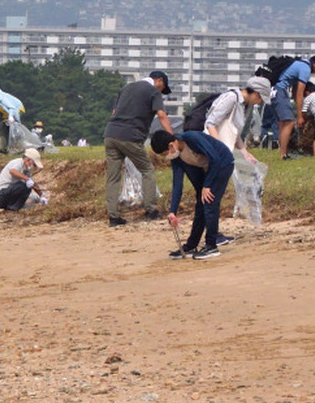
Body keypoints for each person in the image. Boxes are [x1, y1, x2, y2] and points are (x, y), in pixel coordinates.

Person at [202, 75, 272, 245]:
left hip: (223, 155)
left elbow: (235, 133)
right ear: (255, 93)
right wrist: (218, 149)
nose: (260, 102)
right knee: (211, 194)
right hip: (213, 153)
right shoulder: (231, 98)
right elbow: (211, 123)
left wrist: (245, 152)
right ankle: (210, 236)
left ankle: (212, 233)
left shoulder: (245, 105)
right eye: (261, 98)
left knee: (215, 194)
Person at [151, 129, 235, 261]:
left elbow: (215, 159)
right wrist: (173, 211)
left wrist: (207, 185)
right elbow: (177, 185)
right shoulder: (177, 159)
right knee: (200, 205)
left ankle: (211, 245)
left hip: (222, 164)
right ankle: (191, 245)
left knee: (209, 202)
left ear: (171, 145)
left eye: (165, 154)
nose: (166, 157)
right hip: (207, 170)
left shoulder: (192, 138)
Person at [103, 70, 174, 226]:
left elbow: (114, 112)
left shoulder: (126, 88)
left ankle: (113, 217)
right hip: (131, 136)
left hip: (110, 134)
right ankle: (151, 210)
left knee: (113, 177)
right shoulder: (153, 92)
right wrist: (173, 139)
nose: (161, 92)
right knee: (147, 170)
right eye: (163, 89)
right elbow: (162, 115)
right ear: (159, 81)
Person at [272, 53, 315, 160]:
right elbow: (300, 93)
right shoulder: (305, 69)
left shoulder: (300, 64)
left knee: (283, 123)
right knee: (289, 122)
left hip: (275, 91)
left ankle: (283, 152)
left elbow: (295, 93)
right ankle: (283, 155)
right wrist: (300, 116)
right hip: (280, 90)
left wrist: (299, 111)